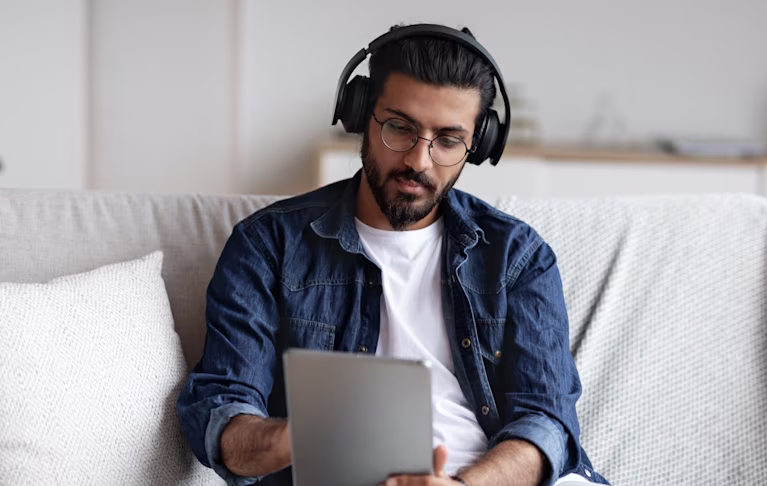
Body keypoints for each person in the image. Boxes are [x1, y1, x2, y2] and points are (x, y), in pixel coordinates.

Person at [177, 23, 608, 486]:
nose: (418, 161)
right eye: (400, 128)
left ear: (477, 146)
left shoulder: (518, 257)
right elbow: (223, 411)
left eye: (447, 140)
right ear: (361, 114)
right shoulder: (268, 245)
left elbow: (546, 423)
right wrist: (297, 438)